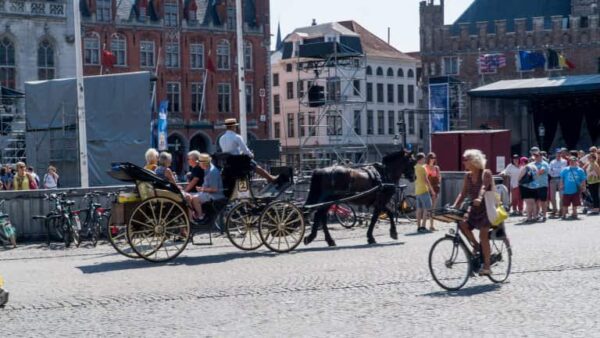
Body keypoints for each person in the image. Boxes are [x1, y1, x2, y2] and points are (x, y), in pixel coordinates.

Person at [453, 149, 494, 276]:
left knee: (483, 236)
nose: (464, 162)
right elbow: (463, 192)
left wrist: (479, 198)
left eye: (466, 159)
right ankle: (476, 246)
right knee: (462, 224)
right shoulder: (468, 176)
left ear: (474, 161)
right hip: (474, 210)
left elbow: (483, 187)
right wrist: (455, 205)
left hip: (486, 209)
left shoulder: (485, 173)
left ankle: (487, 267)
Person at [219, 118, 279, 184]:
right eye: (235, 126)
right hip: (238, 162)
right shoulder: (237, 137)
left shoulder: (221, 138)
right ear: (233, 126)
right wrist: (251, 155)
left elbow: (228, 151)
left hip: (228, 163)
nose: (236, 127)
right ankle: (270, 178)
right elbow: (245, 150)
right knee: (254, 165)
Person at [191, 154, 225, 221]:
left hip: (215, 195)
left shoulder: (212, 172)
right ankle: (197, 214)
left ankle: (200, 217)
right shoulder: (207, 169)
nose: (199, 164)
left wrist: (202, 189)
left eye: (199, 163)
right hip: (208, 193)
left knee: (195, 198)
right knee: (190, 196)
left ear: (203, 163)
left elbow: (214, 189)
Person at [414, 153, 435, 233]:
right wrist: (432, 190)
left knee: (419, 209)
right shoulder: (423, 168)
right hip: (424, 190)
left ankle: (418, 227)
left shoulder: (415, 167)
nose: (424, 160)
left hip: (417, 190)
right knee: (428, 208)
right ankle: (423, 226)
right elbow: (426, 180)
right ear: (420, 159)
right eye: (423, 159)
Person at [548, 149, 567, 218]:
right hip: (553, 179)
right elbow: (549, 171)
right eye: (557, 153)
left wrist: (554, 170)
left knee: (561, 196)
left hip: (561, 179)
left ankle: (561, 210)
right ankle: (554, 209)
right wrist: (556, 170)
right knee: (552, 196)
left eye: (559, 153)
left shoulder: (564, 161)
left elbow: (563, 170)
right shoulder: (552, 162)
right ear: (555, 154)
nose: (558, 155)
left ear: (561, 154)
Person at [424, 152, 441, 231]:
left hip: (435, 189)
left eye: (434, 158)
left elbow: (439, 178)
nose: (433, 159)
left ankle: (431, 225)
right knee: (426, 208)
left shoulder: (436, 168)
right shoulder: (425, 167)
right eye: (431, 158)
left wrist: (436, 179)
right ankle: (423, 226)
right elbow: (424, 179)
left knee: (433, 208)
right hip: (427, 189)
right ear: (428, 158)